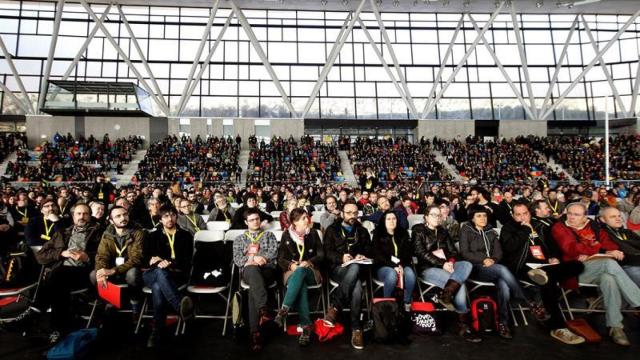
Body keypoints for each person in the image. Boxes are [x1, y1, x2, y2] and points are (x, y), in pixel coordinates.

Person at [552, 202, 640, 346]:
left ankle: (616, 327)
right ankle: (638, 301)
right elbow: (571, 248)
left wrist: (591, 251)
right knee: (609, 263)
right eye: (570, 213)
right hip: (574, 271)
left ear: (585, 216)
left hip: (598, 267)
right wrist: (600, 250)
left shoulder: (593, 226)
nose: (572, 217)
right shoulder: (560, 227)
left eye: (577, 214)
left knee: (609, 279)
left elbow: (611, 246)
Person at [499, 203, 585, 345]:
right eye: (518, 214)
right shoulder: (508, 228)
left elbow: (553, 245)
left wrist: (554, 257)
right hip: (523, 268)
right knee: (547, 281)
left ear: (530, 213)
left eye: (525, 213)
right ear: (513, 216)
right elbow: (509, 248)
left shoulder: (540, 226)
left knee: (578, 265)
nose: (522, 217)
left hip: (545, 266)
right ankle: (558, 327)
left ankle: (545, 275)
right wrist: (524, 230)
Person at [459, 205, 539, 339]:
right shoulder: (466, 230)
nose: (483, 218)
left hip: (493, 268)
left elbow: (499, 252)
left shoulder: (490, 230)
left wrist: (494, 259)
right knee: (502, 269)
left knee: (504, 286)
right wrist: (484, 259)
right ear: (472, 218)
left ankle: (503, 324)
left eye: (484, 215)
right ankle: (528, 301)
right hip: (475, 268)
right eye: (479, 216)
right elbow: (465, 253)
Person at [35, 203, 102, 344]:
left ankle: (34, 312)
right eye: (78, 214)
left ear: (90, 216)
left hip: (84, 272)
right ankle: (59, 328)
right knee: (60, 284)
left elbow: (107, 255)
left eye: (85, 214)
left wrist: (87, 257)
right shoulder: (62, 233)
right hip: (63, 273)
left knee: (57, 276)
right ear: (73, 216)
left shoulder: (99, 233)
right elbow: (40, 256)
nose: (82, 217)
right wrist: (61, 253)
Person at [413, 205, 480, 342]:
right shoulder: (418, 230)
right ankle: (464, 324)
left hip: (447, 266)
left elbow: (453, 251)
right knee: (458, 283)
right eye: (433, 215)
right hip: (428, 268)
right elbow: (421, 253)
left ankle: (447, 294)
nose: (437, 218)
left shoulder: (443, 231)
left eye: (439, 215)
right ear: (426, 217)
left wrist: (450, 261)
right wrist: (441, 263)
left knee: (466, 264)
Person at [143, 205, 195, 348]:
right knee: (159, 273)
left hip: (176, 273)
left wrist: (169, 262)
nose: (170, 218)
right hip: (151, 273)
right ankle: (180, 307)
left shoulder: (186, 235)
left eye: (172, 215)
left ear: (176, 217)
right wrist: (155, 261)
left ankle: (156, 330)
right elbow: (146, 258)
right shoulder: (152, 236)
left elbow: (187, 260)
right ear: (160, 219)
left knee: (158, 286)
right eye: (165, 216)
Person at [323, 200, 372, 349]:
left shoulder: (362, 231)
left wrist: (362, 255)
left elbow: (369, 250)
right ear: (342, 213)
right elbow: (327, 252)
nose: (352, 216)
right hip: (338, 268)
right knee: (355, 283)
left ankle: (335, 307)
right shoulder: (332, 229)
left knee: (356, 278)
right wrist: (341, 258)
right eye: (349, 213)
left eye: (355, 213)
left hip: (357, 268)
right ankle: (356, 328)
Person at [274, 208, 324, 347]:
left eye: (306, 217)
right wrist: (291, 266)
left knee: (302, 272)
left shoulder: (313, 233)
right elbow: (281, 259)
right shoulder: (286, 235)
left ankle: (284, 309)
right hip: (293, 272)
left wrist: (308, 262)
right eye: (303, 218)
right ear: (295, 222)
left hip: (311, 271)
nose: (307, 220)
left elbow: (321, 255)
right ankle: (306, 326)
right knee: (299, 278)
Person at [232, 208, 279, 352]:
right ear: (246, 222)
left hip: (266, 270)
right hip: (249, 270)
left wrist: (260, 258)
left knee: (253, 285)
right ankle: (263, 311)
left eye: (257, 219)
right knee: (252, 271)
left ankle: (255, 332)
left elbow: (273, 253)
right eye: (252, 220)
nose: (255, 222)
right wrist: (252, 258)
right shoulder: (240, 239)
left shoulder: (269, 235)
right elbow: (238, 259)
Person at [92, 206, 144, 317]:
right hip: (112, 268)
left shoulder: (138, 232)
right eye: (118, 216)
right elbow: (102, 255)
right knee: (94, 274)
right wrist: (101, 271)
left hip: (129, 267)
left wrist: (114, 270)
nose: (123, 218)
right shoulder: (107, 234)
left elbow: (136, 258)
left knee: (132, 274)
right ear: (111, 221)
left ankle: (135, 302)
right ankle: (109, 301)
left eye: (125, 214)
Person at [372, 210, 415, 312]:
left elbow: (408, 253)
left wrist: (401, 265)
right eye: (389, 219)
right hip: (383, 266)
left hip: (402, 265)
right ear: (384, 221)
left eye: (394, 219)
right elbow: (377, 255)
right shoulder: (378, 234)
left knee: (410, 275)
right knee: (392, 274)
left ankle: (407, 302)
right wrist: (393, 266)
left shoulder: (403, 233)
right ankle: (387, 304)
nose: (392, 221)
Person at [598, 206, 640, 287]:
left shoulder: (626, 232)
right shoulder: (602, 234)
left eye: (619, 216)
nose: (618, 219)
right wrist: (629, 243)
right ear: (603, 219)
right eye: (613, 217)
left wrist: (625, 242)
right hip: (626, 266)